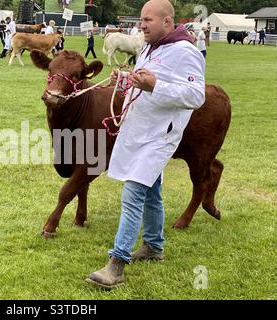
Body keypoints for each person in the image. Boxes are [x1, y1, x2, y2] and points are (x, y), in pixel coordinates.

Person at [86, 0, 205, 290]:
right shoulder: (150, 48)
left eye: (147, 20)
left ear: (167, 22)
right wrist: (126, 81)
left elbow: (195, 95)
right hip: (138, 130)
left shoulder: (186, 51)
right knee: (151, 191)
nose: (141, 25)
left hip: (159, 136)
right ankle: (153, 246)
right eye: (141, 19)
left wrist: (156, 86)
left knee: (134, 190)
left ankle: (116, 264)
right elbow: (145, 82)